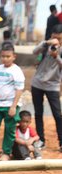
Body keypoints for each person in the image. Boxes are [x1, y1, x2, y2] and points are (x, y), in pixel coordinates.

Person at [31, 24, 62, 152]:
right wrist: (46, 43)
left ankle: (61, 142)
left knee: (58, 114)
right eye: (55, 38)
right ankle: (41, 140)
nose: (57, 41)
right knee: (38, 113)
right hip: (37, 83)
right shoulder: (45, 45)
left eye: (59, 39)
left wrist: (57, 57)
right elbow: (34, 52)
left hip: (53, 85)